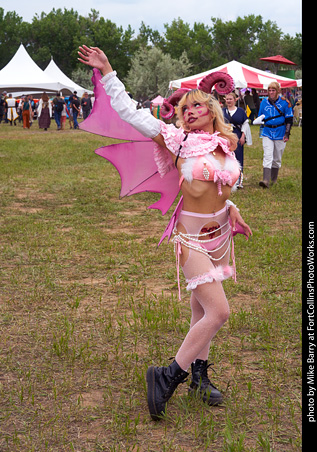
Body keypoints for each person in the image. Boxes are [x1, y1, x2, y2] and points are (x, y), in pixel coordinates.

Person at [78, 45, 252, 421]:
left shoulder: (226, 145)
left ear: (212, 112)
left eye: (197, 107)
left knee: (202, 311)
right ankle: (167, 375)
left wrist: (234, 210)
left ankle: (199, 378)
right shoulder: (177, 142)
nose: (188, 112)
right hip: (191, 238)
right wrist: (108, 70)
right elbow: (129, 111)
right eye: (185, 108)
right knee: (219, 312)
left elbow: (224, 188)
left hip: (220, 237)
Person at [254, 82, 293, 188]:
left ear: (278, 91)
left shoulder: (285, 103)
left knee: (277, 158)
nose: (271, 92)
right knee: (267, 155)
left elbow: (289, 119)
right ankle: (265, 180)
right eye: (269, 90)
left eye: (273, 90)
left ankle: (273, 180)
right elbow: (261, 116)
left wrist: (287, 134)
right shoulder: (263, 103)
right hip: (267, 132)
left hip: (280, 132)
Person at [223, 92, 252, 189]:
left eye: (231, 99)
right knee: (225, 157)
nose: (229, 101)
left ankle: (239, 180)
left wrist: (243, 136)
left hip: (237, 136)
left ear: (235, 100)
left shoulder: (240, 111)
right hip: (225, 137)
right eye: (227, 99)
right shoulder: (222, 111)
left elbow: (245, 124)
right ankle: (226, 179)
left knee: (238, 157)